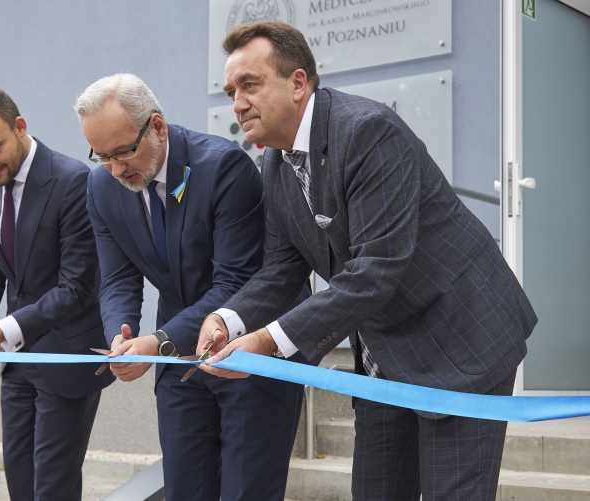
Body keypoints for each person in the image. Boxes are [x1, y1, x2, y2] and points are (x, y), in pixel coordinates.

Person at [199, 22, 538, 501]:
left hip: (462, 343)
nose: (237, 102)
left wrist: (267, 342)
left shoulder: (367, 131)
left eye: (249, 85)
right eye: (231, 90)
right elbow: (279, 271)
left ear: (298, 83)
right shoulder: (274, 165)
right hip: (386, 355)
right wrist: (227, 320)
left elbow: (375, 268)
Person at [74, 73, 309, 501]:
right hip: (178, 361)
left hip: (247, 350)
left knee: (245, 492)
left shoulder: (223, 167)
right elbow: (117, 276)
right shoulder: (102, 186)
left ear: (157, 127)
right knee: (184, 489)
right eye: (101, 155)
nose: (115, 168)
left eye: (123, 151)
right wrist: (122, 334)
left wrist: (158, 342)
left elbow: (236, 281)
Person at [0, 85, 114, 501]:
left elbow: (77, 287)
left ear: (20, 127)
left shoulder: (76, 180)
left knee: (52, 489)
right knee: (20, 484)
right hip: (15, 363)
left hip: (67, 358)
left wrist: (3, 330)